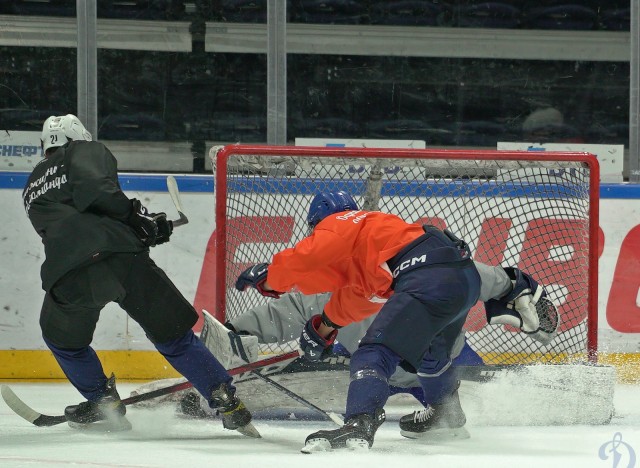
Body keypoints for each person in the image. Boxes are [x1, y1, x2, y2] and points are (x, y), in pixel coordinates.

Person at [236, 190, 556, 451]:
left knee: (373, 353)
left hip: (427, 278)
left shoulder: (340, 223)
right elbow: (356, 299)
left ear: (318, 222)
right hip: (458, 276)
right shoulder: (377, 242)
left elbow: (311, 253)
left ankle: (358, 424)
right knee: (430, 358)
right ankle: (446, 415)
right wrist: (324, 327)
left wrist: (271, 275)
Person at [22, 114, 258, 437]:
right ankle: (225, 398)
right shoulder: (82, 151)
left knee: (63, 341)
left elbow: (77, 227)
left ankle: (102, 401)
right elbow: (99, 194)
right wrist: (139, 220)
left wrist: (141, 226)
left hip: (69, 275)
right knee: (174, 337)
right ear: (78, 135)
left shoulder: (31, 185)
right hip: (121, 261)